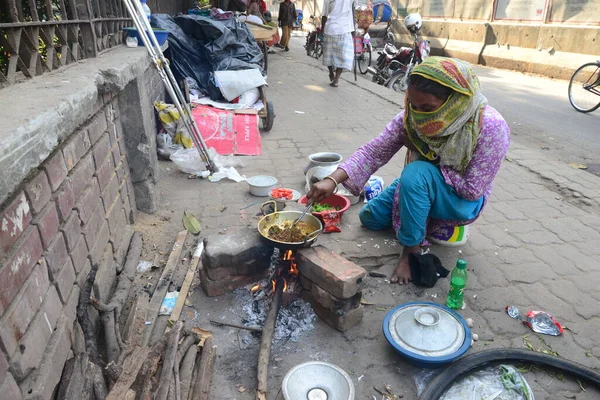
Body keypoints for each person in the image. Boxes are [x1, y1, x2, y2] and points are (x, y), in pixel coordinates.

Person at [307, 57, 510, 284]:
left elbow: (472, 189)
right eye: (412, 105)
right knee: (369, 218)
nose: (419, 115)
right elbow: (374, 151)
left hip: (461, 199)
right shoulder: (411, 117)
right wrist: (332, 181)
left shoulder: (490, 126)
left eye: (428, 108)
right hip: (425, 180)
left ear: (454, 100)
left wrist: (426, 152)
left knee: (415, 174)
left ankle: (412, 252)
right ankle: (418, 208)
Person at [321, 0, 355, 87]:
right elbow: (357, 8)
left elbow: (324, 15)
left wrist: (322, 30)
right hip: (344, 30)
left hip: (330, 29)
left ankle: (331, 72)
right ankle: (336, 78)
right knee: (343, 57)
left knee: (328, 55)